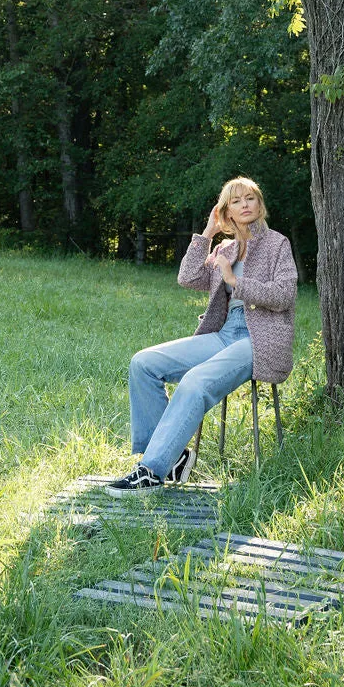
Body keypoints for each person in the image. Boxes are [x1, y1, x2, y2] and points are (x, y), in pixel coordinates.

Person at [106, 176, 298, 494]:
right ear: (227, 212)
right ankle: (176, 456)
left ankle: (151, 471)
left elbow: (284, 295)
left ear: (259, 205)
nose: (244, 205)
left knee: (195, 380)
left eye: (250, 198)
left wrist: (233, 281)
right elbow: (188, 277)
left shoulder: (277, 244)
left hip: (260, 339)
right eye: (235, 201)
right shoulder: (226, 248)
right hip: (224, 335)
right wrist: (208, 233)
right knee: (143, 363)